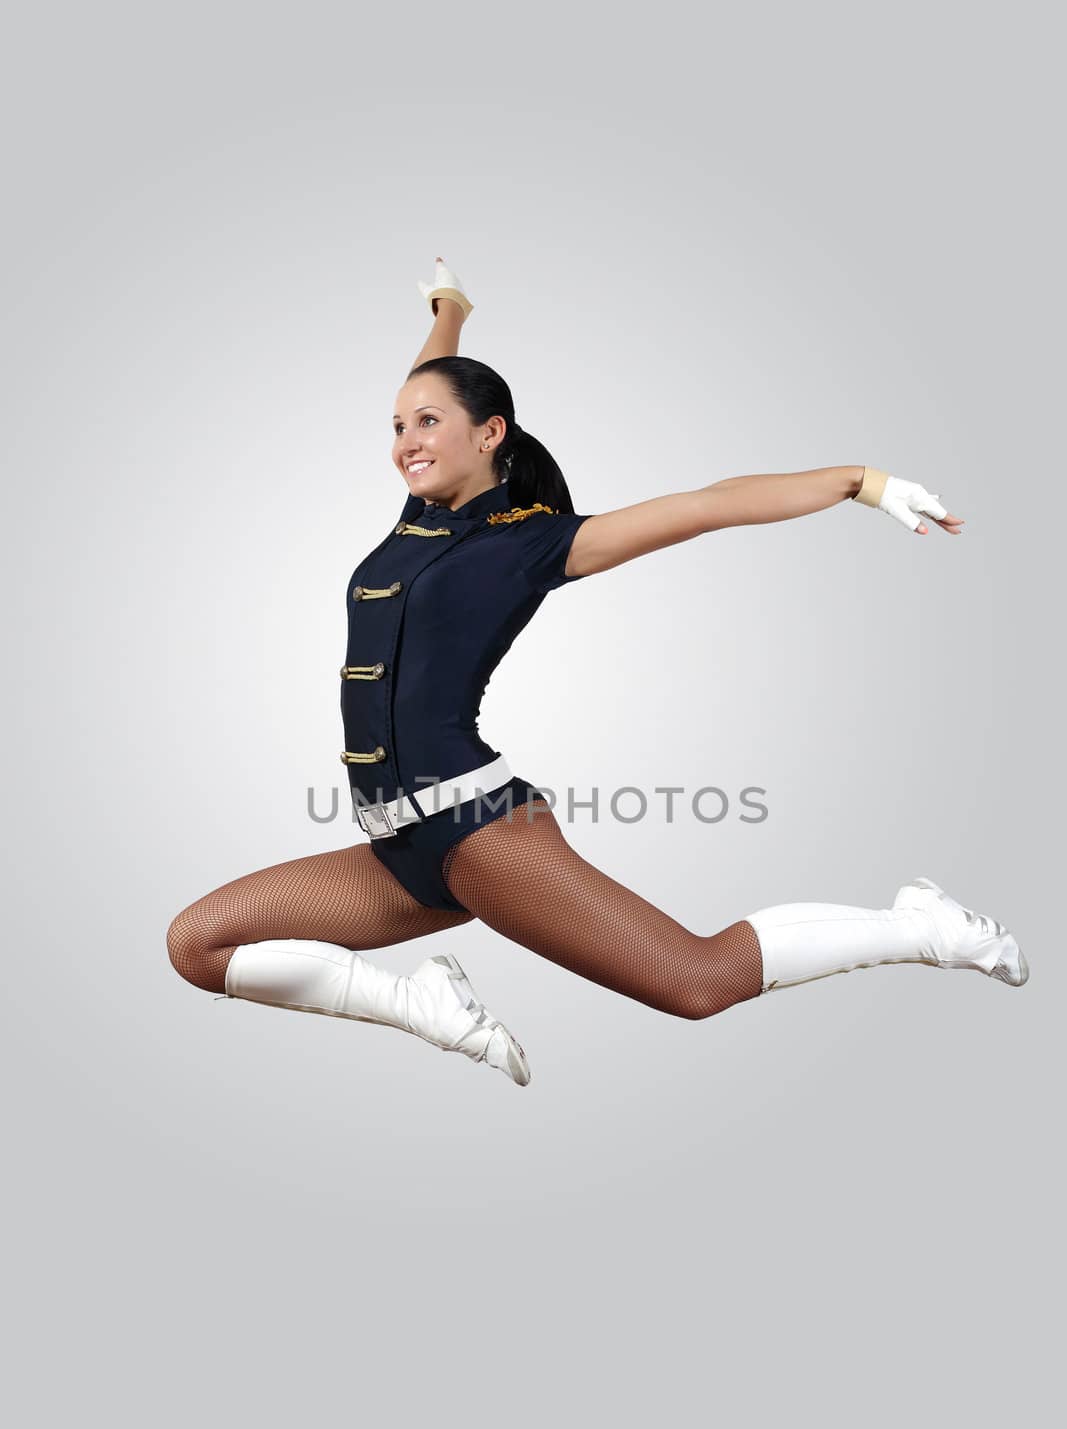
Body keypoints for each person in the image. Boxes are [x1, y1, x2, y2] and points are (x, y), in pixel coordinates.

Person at [166, 257, 1029, 1088]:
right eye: (397, 426)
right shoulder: (416, 518)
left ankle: (923, 927)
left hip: (477, 832)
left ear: (489, 433)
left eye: (427, 424)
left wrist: (862, 482)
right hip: (397, 850)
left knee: (697, 981)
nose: (405, 442)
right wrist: (450, 307)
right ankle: (426, 1003)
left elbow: (705, 506)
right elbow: (439, 374)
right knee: (199, 945)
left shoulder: (535, 541)